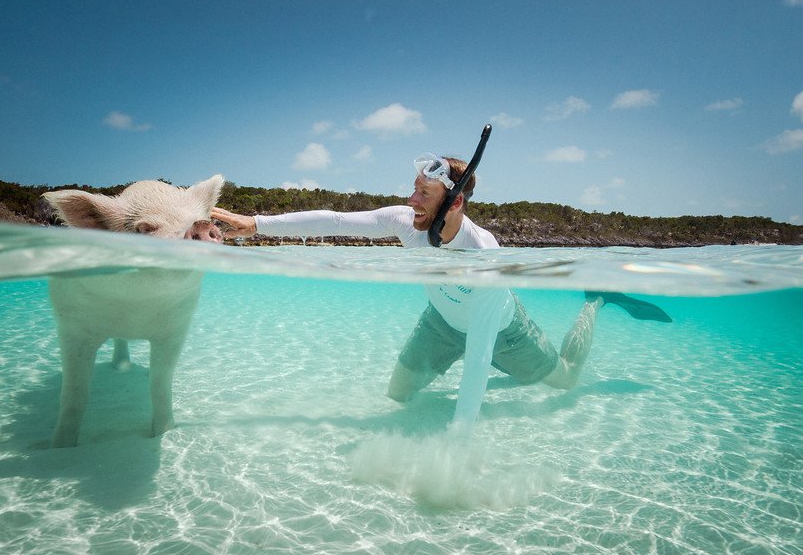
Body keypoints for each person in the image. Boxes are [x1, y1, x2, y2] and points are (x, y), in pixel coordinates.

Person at [210, 153, 670, 402]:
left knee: (565, 381)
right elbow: (334, 219)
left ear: (453, 204)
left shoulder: (483, 251)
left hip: (502, 333)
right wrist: (257, 224)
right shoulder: (401, 221)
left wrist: (458, 443)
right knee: (398, 396)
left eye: (423, 192)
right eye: (413, 189)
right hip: (441, 323)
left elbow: (478, 357)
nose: (410, 200)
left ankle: (597, 301)